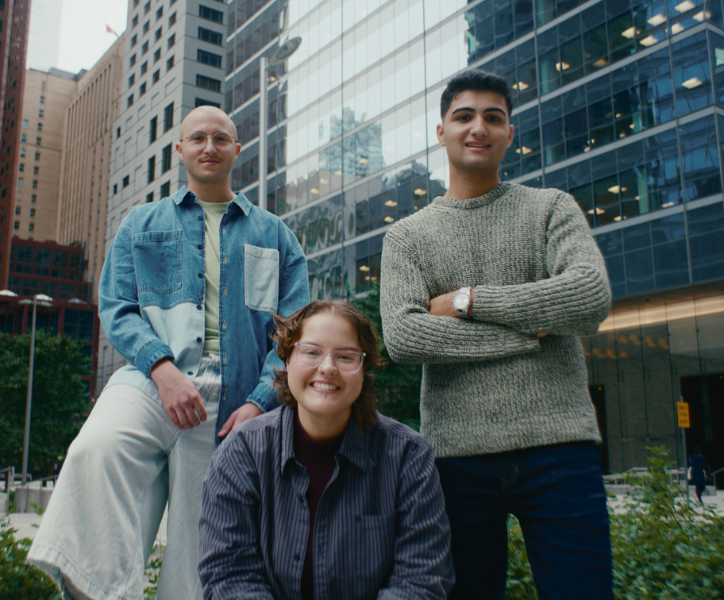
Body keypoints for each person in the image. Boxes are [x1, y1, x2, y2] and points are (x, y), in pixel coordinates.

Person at [28, 105, 310, 600]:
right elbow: (117, 307)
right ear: (179, 149)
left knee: (200, 542)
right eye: (197, 138)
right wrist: (161, 369)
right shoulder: (142, 222)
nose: (209, 147)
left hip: (234, 398)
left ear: (236, 150)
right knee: (94, 450)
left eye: (221, 138)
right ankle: (109, 592)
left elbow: (294, 332)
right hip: (150, 379)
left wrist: (260, 403)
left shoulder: (275, 235)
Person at [379, 70, 613, 600]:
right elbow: (405, 338)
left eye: (493, 117)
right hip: (456, 456)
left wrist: (469, 302)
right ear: (441, 131)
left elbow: (589, 297)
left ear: (510, 133)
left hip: (560, 446)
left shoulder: (550, 207)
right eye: (463, 116)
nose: (477, 127)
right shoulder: (408, 236)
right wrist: (532, 332)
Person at [199, 300, 454, 599]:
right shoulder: (242, 453)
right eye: (311, 352)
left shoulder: (407, 457)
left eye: (346, 357)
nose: (328, 368)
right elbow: (229, 575)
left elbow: (421, 580)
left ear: (363, 369)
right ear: (286, 360)